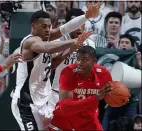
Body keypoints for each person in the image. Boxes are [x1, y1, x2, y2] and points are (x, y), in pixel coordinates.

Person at [11, 2, 102, 130]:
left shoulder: (46, 36)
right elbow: (47, 49)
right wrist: (72, 42)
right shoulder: (30, 41)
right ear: (33, 26)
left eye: (49, 26)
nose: (48, 30)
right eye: (44, 27)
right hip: (26, 102)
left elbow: (64, 30)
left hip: (42, 101)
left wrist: (86, 16)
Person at [49, 46, 114, 130]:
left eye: (84, 59)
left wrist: (119, 98)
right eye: (78, 59)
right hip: (65, 120)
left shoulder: (103, 73)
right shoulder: (68, 72)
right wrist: (95, 97)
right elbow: (65, 107)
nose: (79, 63)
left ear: (94, 61)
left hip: (89, 120)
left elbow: (111, 96)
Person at [50, 8, 96, 110]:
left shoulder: (90, 44)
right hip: (57, 93)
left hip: (79, 94)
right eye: (76, 25)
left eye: (82, 24)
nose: (79, 28)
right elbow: (51, 65)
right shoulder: (58, 41)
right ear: (69, 25)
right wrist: (70, 50)